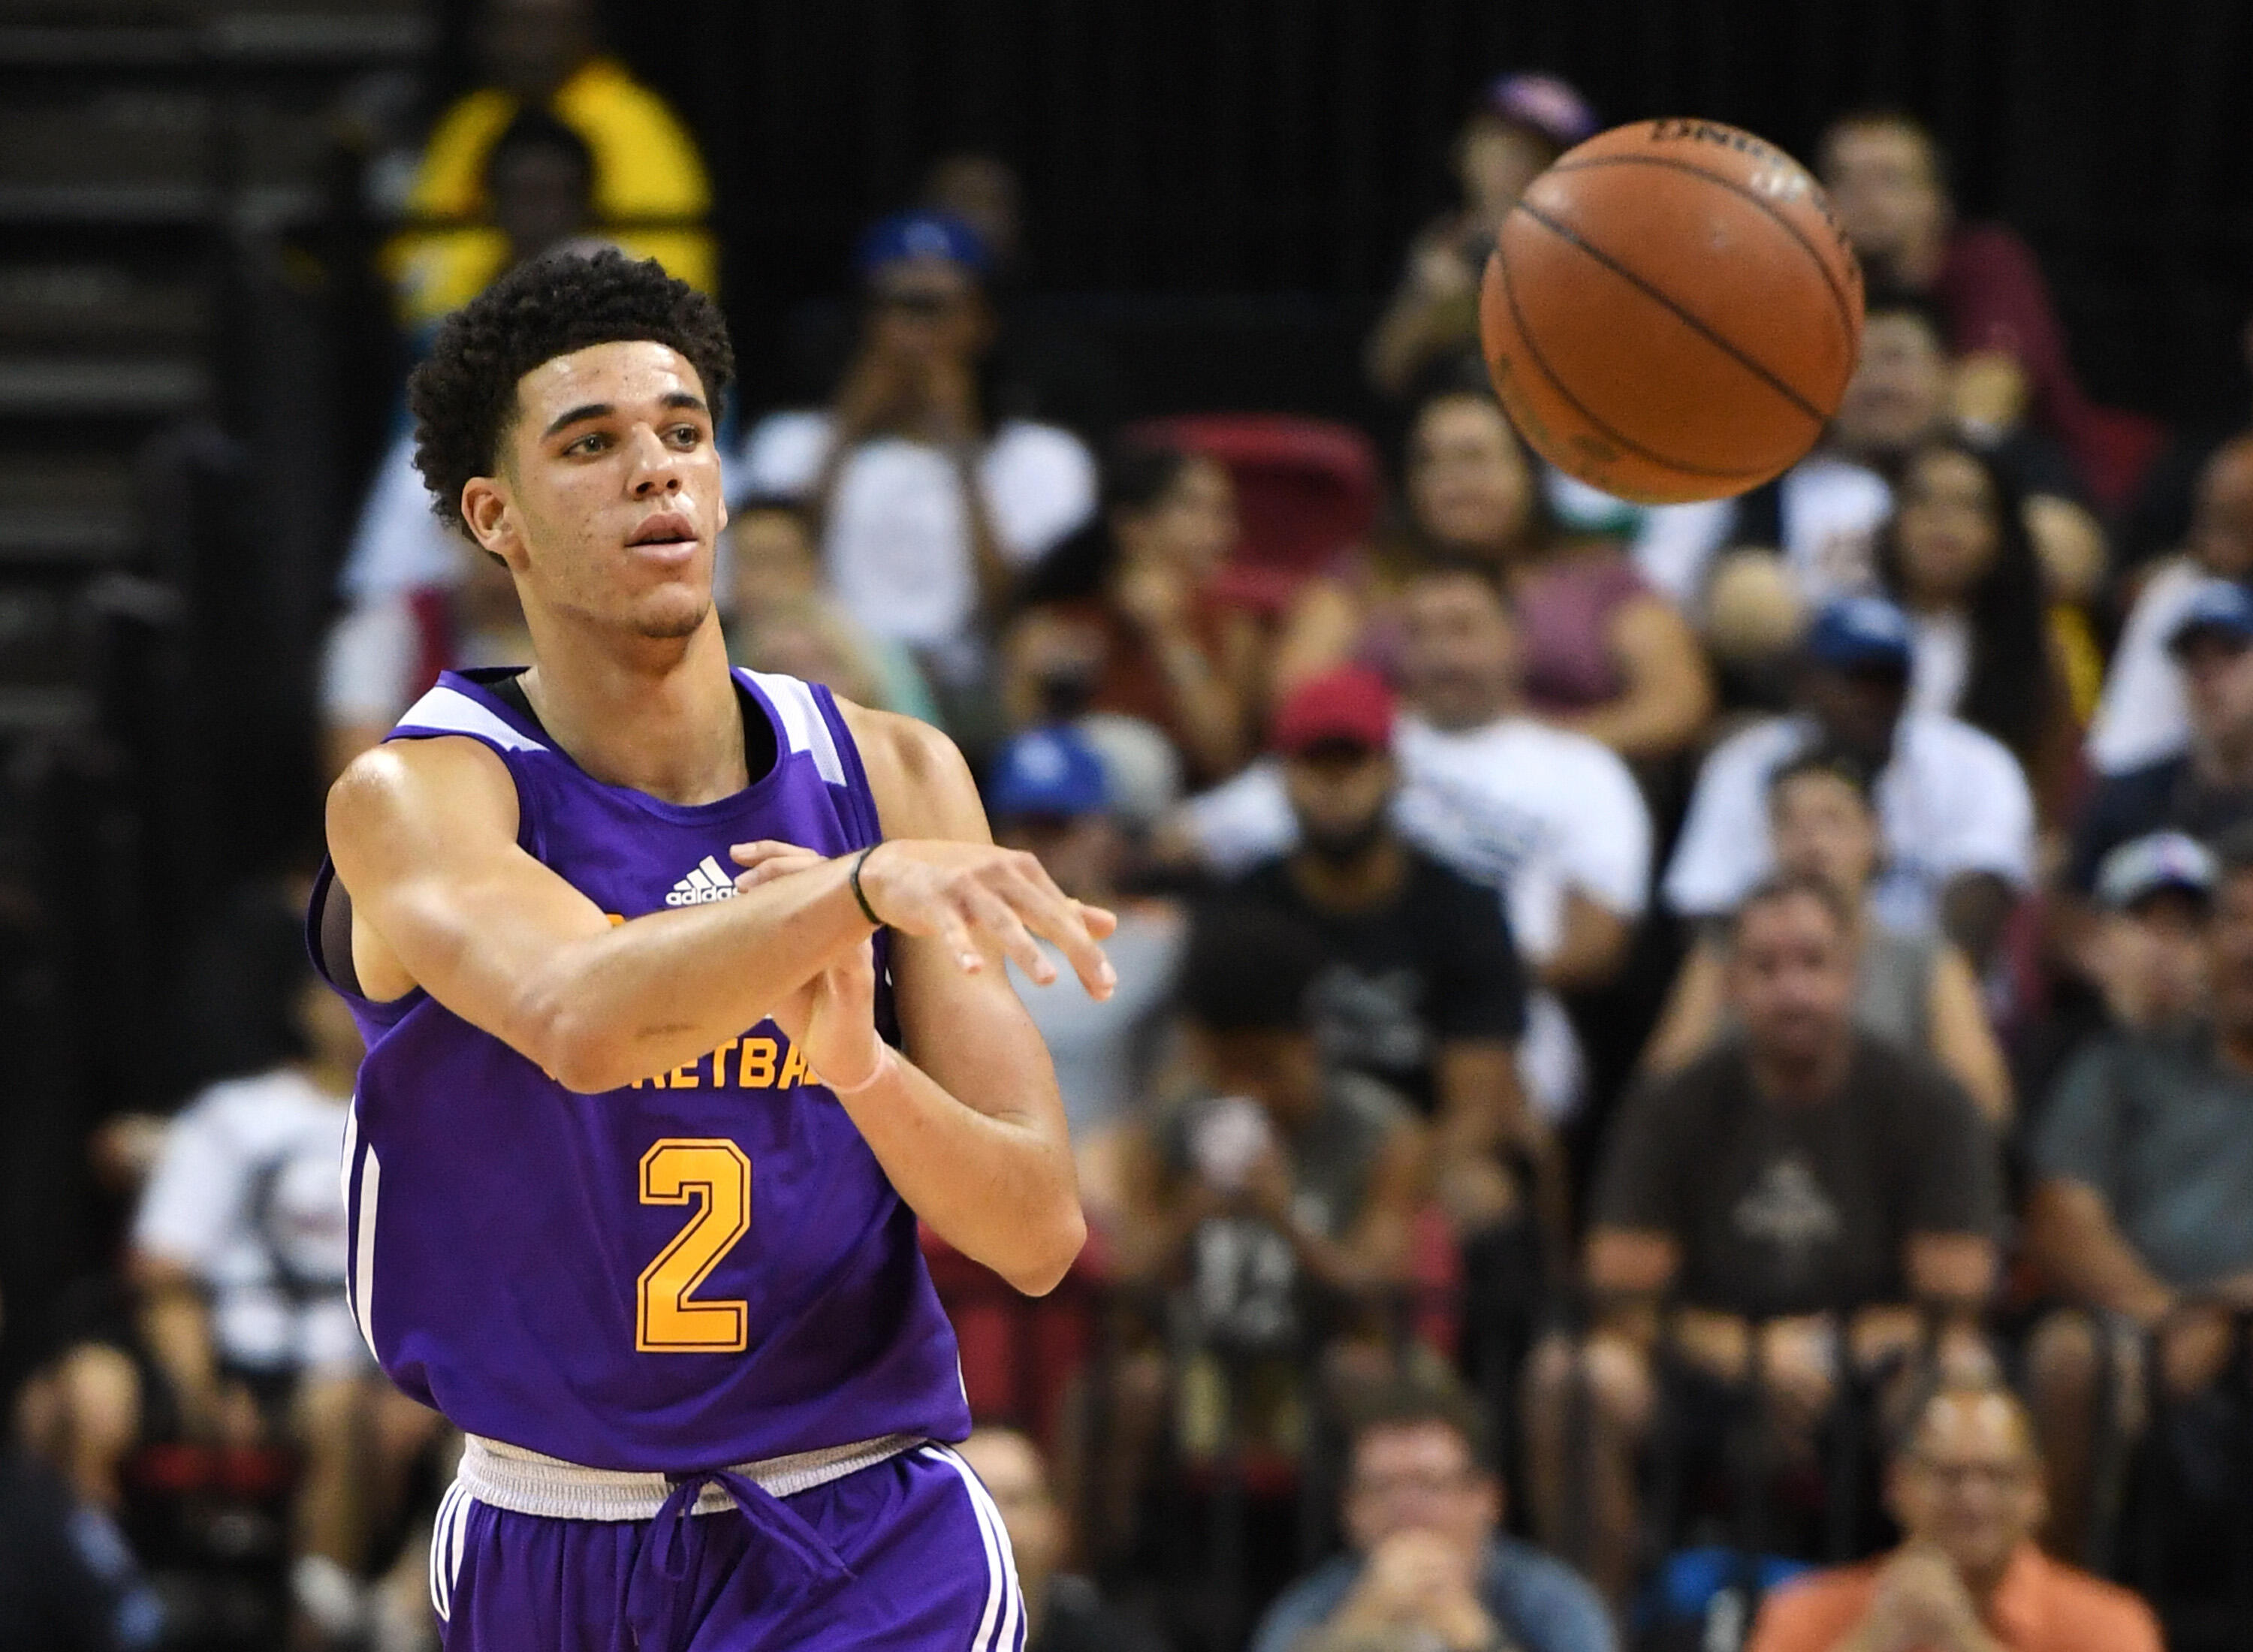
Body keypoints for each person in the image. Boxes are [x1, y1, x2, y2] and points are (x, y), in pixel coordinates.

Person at [313, 247, 1120, 1647]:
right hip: (547, 1528)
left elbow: (1037, 1231)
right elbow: (583, 1017)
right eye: (593, 442)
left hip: (866, 1526)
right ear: (493, 515)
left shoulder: (895, 773)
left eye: (685, 432)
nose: (656, 470)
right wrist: (849, 896)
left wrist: (863, 1067)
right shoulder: (423, 794)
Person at [1524, 875, 2003, 1603]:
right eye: (1766, 967)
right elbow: (1619, 1292)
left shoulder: (1927, 1099)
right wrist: (1748, 1355)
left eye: (1814, 963)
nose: (1793, 990)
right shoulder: (1671, 1101)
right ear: (1729, 984)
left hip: (1871, 1365)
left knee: (1960, 1377)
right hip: (1699, 1367)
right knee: (1576, 1378)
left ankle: (1959, 1630)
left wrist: (1825, 1351)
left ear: (1854, 974)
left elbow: (1957, 1300)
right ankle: (1597, 1627)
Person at [1175, 565, 1651, 1120]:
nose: (1443, 654)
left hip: (1498, 1020)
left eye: (1463, 629)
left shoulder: (1580, 765)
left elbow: (1598, 946)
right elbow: (1185, 840)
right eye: (1421, 633)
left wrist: (1459, 970)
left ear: (1517, 640)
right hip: (1314, 1024)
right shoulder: (1352, 738)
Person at [129, 967, 445, 1644]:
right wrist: (201, 1392)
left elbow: (456, 1282)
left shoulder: (429, 1120)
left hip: (378, 1362)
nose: (357, 1008)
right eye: (343, 991)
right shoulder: (238, 1114)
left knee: (455, 1409)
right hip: (247, 1349)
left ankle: (385, 1606)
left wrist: (426, 1390)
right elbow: (164, 1266)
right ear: (305, 1006)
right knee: (88, 1392)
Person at [1229, 665, 1543, 1243]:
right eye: (1312, 764)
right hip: (1279, 1148)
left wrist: (1391, 1189)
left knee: (1482, 1193)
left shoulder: (1463, 910)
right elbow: (1216, 1067)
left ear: (1393, 772)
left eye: (1351, 762)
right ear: (1282, 776)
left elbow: (1476, 1106)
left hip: (1422, 1148)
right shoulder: (1246, 906)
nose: (1333, 785)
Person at [737, 211, 1099, 705]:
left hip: (973, 683)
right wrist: (845, 433)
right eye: (896, 307)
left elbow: (1011, 611)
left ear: (981, 321)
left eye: (935, 309)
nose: (915, 334)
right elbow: (777, 577)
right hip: (833, 671)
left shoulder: (1041, 456)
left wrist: (961, 449)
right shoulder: (792, 441)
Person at [1108, 901, 1425, 1451]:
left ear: (1310, 1044)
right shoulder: (1161, 1128)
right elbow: (1121, 1290)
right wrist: (1193, 1212)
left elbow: (1380, 1304)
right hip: (1202, 1355)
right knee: (1117, 1391)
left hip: (1325, 1353)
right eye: (1223, 1068)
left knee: (1364, 1373)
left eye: (1264, 1068)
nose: (1244, 1091)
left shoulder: (1379, 1132)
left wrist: (1287, 1217)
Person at [2024, 824, 2253, 1562]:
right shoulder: (2121, 1066)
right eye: (2233, 921)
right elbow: (2062, 1215)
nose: (2249, 946)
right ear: (2209, 944)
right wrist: (2166, 1318)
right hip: (2139, 1333)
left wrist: (2224, 1309)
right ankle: (2048, 1614)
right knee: (2068, 1357)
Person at [1320, 390, 1713, 762]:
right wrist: (1425, 744)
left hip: (1566, 785)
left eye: (1472, 458)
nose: (1451, 479)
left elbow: (1675, 703)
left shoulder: (1596, 575)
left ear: (1529, 470)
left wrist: (1534, 749)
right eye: (1429, 461)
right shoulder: (1366, 576)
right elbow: (1299, 694)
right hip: (1395, 784)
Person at [1643, 747, 2012, 1124]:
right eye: (1789, 824)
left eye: (1832, 821)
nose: (1811, 843)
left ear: (1875, 834)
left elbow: (1982, 1105)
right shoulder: (1724, 952)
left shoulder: (1925, 958)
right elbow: (1663, 1090)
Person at [1664, 593, 2035, 967]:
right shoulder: (1745, 762)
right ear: (1806, 680)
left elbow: (1979, 904)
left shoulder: (1974, 762)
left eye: (1886, 681)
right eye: (1853, 678)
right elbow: (1705, 907)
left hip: (1921, 998)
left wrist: (1902, 996)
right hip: (1773, 995)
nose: (1870, 698)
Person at [1817, 111, 2158, 509]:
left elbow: (1986, 400)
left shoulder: (1986, 262)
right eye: (1844, 179)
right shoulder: (1814, 284)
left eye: (1889, 179)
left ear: (1937, 201)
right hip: (1857, 494)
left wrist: (1873, 413)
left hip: (2027, 492)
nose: (1864, 197)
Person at [1745, 1378, 2161, 1652]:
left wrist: (1962, 1639)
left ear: (2037, 1491)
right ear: (1897, 1486)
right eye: (1949, 1476)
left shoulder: (2109, 1625)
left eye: (1998, 1476)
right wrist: (1874, 1638)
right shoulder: (1803, 1611)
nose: (1973, 1499)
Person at [383, 0, 713, 330]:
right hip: (461, 336)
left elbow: (676, 273)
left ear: (586, 29)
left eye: (543, 26)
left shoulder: (633, 119)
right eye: (512, 25)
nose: (528, 46)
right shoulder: (473, 119)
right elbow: (412, 260)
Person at [1250, 1379, 1613, 1652]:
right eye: (1383, 1486)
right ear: (1351, 1509)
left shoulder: (1551, 1600)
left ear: (1487, 1499)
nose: (1406, 1506)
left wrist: (1478, 1639)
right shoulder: (1314, 1604)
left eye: (1429, 1483)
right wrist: (1357, 1631)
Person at [983, 725, 1185, 1201]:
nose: (1039, 849)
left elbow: (1186, 1077)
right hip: (984, 1182)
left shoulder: (1161, 942)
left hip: (1117, 1185)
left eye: (1060, 827)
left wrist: (1137, 1150)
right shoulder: (952, 943)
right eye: (1025, 827)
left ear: (1106, 832)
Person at [1003, 443, 1262, 785]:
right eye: (1196, 509)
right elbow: (1020, 764)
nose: (1223, 533)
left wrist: (1170, 634)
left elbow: (1224, 757)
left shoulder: (1233, 626)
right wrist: (1029, 679)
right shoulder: (1057, 621)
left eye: (1224, 512)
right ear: (1133, 527)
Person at [1365, 74, 1600, 401]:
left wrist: (1472, 312)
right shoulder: (1445, 243)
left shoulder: (1593, 254)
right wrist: (1430, 312)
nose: (1512, 162)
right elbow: (1387, 371)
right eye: (1497, 141)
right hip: (1455, 423)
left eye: (1535, 151)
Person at [1875, 437, 2078, 815]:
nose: (1943, 523)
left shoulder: (2038, 651)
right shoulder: (1852, 627)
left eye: (1969, 506)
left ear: (2002, 531)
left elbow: (2050, 788)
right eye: (1924, 501)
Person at [2064, 578, 2253, 896]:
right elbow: (2073, 908)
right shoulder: (2128, 798)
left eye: (2229, 654)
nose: (2209, 676)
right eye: (2195, 660)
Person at [2086, 433, 2253, 777]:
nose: (2218, 542)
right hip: (2165, 801)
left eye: (2238, 521)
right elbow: (2119, 756)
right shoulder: (2177, 590)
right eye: (2214, 517)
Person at [720, 493, 938, 722]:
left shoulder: (874, 658)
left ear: (812, 565)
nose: (763, 582)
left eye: (776, 561)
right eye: (748, 562)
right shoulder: (716, 660)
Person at [952, 1427, 1166, 1652]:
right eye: (975, 1502)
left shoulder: (1117, 1643)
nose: (999, 1522)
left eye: (1015, 1500)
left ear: (1057, 1525)